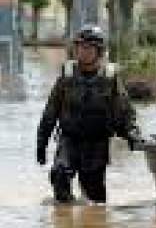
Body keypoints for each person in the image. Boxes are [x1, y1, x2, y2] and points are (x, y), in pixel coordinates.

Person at [36, 24, 142, 203]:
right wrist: (42, 143)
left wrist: (132, 134)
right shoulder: (67, 76)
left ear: (99, 51)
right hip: (69, 140)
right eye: (79, 47)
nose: (82, 51)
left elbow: (124, 111)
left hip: (96, 143)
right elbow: (51, 111)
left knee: (94, 200)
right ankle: (65, 220)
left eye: (88, 48)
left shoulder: (110, 78)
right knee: (60, 174)